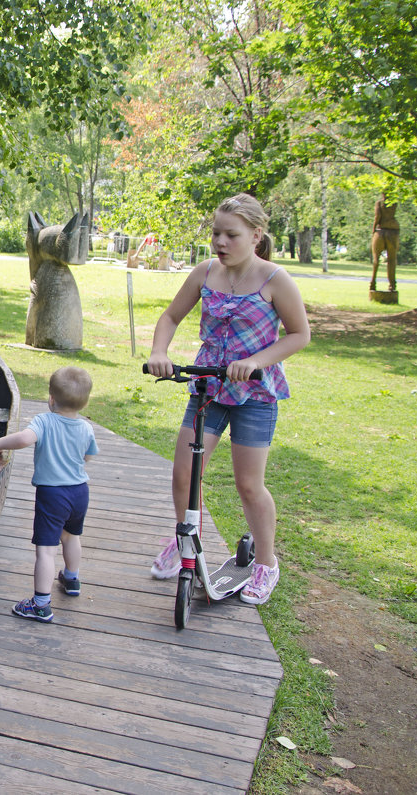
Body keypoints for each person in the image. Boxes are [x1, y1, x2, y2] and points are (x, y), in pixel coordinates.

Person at [145, 193, 310, 606]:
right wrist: (159, 352)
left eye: (230, 234)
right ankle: (187, 543)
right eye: (216, 233)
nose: (220, 241)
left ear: (255, 235)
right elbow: (170, 317)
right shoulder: (205, 273)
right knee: (185, 472)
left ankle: (265, 564)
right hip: (209, 388)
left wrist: (255, 360)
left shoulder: (275, 280)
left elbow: (299, 334)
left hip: (255, 393)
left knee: (248, 484)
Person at [0, 366, 99, 623]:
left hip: (53, 495)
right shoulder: (85, 428)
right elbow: (89, 456)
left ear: (51, 399)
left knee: (46, 551)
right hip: (80, 492)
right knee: (71, 537)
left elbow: (25, 439)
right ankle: (72, 579)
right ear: (84, 402)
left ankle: (40, 605)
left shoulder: (44, 421)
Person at [370, 192, 399, 293]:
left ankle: (372, 283)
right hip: (393, 230)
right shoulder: (394, 203)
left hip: (381, 230)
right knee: (392, 260)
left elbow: (377, 216)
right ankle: (392, 285)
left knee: (376, 260)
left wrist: (373, 230)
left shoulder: (379, 203)